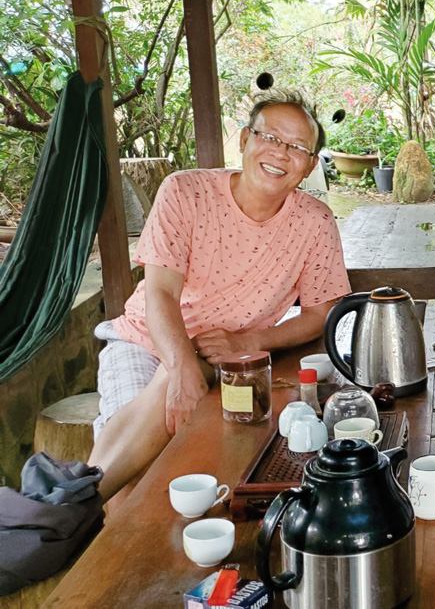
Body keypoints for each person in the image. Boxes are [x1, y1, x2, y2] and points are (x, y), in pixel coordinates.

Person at [88, 90, 351, 503]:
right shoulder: (185, 192)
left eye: (298, 147)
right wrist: (179, 368)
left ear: (310, 165)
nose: (281, 153)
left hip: (229, 357)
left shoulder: (314, 223)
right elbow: (160, 291)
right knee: (136, 477)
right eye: (270, 137)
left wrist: (248, 341)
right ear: (245, 139)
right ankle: (71, 520)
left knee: (222, 462)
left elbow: (320, 313)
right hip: (144, 342)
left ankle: (63, 512)